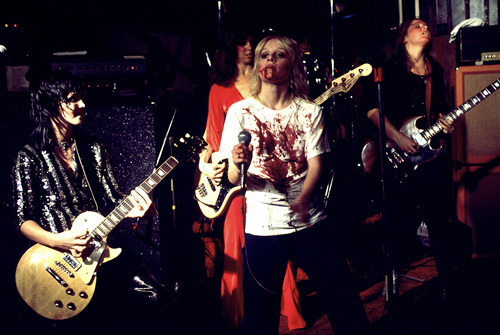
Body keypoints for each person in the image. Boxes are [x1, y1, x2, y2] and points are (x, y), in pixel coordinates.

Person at [218, 35, 369, 335]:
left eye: (278, 55)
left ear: (293, 64)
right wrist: (237, 161)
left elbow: (317, 165)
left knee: (345, 307)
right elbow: (234, 180)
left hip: (310, 224)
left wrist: (303, 199)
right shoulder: (239, 112)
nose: (269, 61)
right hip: (263, 229)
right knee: (259, 320)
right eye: (264, 56)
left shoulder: (310, 111)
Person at [12, 70, 171, 334]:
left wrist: (141, 208)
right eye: (73, 99)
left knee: (158, 299)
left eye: (81, 98)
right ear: (51, 103)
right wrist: (57, 240)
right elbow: (22, 218)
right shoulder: (29, 156)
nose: (82, 105)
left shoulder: (94, 148)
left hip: (101, 249)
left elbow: (113, 196)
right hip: (57, 261)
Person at [198, 30, 306, 330]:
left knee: (276, 242)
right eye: (242, 42)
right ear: (231, 48)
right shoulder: (220, 90)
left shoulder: (272, 85)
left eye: (251, 43)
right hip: (234, 185)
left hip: (268, 180)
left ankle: (287, 312)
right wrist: (204, 166)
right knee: (235, 245)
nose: (248, 48)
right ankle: (238, 315)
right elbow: (212, 138)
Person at [365, 18, 456, 303]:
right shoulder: (389, 71)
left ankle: (447, 286)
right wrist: (399, 139)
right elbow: (372, 111)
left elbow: (440, 113)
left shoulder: (437, 72)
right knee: (397, 223)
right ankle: (391, 283)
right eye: (418, 26)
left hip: (430, 160)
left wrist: (445, 124)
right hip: (397, 157)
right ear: (404, 37)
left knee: (440, 222)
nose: (426, 28)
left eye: (427, 26)